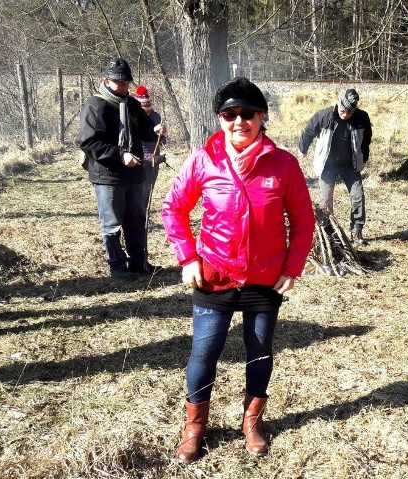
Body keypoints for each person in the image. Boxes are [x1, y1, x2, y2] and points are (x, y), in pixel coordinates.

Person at [161, 77, 315, 463]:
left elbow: (303, 220)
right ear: (220, 118)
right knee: (204, 351)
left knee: (259, 351)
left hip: (265, 279)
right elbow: (173, 209)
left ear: (262, 117)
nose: (239, 121)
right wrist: (188, 258)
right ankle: (195, 426)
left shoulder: (284, 165)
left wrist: (293, 267)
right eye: (230, 114)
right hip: (214, 275)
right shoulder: (203, 160)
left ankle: (252, 423)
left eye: (248, 114)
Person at [78, 58, 166, 280]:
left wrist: (155, 129)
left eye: (127, 83)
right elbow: (89, 143)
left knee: (136, 220)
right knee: (113, 224)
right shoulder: (95, 106)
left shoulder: (133, 104)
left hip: (134, 173)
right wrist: (120, 155)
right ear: (106, 81)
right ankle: (117, 266)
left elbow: (145, 132)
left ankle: (139, 264)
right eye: (121, 84)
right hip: (108, 175)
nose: (125, 88)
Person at [298, 88, 372, 246]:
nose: (345, 115)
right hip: (328, 165)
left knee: (358, 195)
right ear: (338, 104)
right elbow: (309, 130)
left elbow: (366, 139)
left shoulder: (362, 118)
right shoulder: (324, 116)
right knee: (326, 201)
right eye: (343, 111)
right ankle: (329, 232)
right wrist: (303, 148)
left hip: (350, 165)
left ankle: (357, 232)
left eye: (349, 113)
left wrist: (363, 157)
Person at [133, 84, 166, 223]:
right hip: (139, 158)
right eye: (143, 111)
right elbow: (135, 140)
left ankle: (145, 216)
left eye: (148, 110)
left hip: (154, 158)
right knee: (140, 189)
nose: (146, 113)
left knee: (149, 188)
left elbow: (162, 140)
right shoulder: (133, 117)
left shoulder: (156, 117)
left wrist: (162, 133)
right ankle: (138, 217)